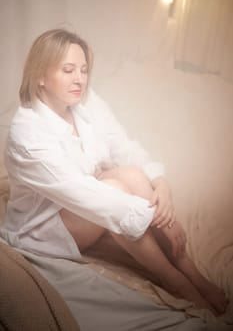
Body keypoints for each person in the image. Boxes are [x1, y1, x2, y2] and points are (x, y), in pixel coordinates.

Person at [0, 29, 227, 321]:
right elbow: (85, 194)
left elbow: (124, 146)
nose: (79, 79)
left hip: (84, 203)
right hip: (44, 225)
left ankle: (187, 266)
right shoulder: (26, 132)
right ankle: (175, 280)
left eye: (83, 70)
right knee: (117, 189)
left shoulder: (86, 101)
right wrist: (159, 218)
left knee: (131, 174)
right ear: (40, 76)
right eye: (68, 70)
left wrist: (161, 186)